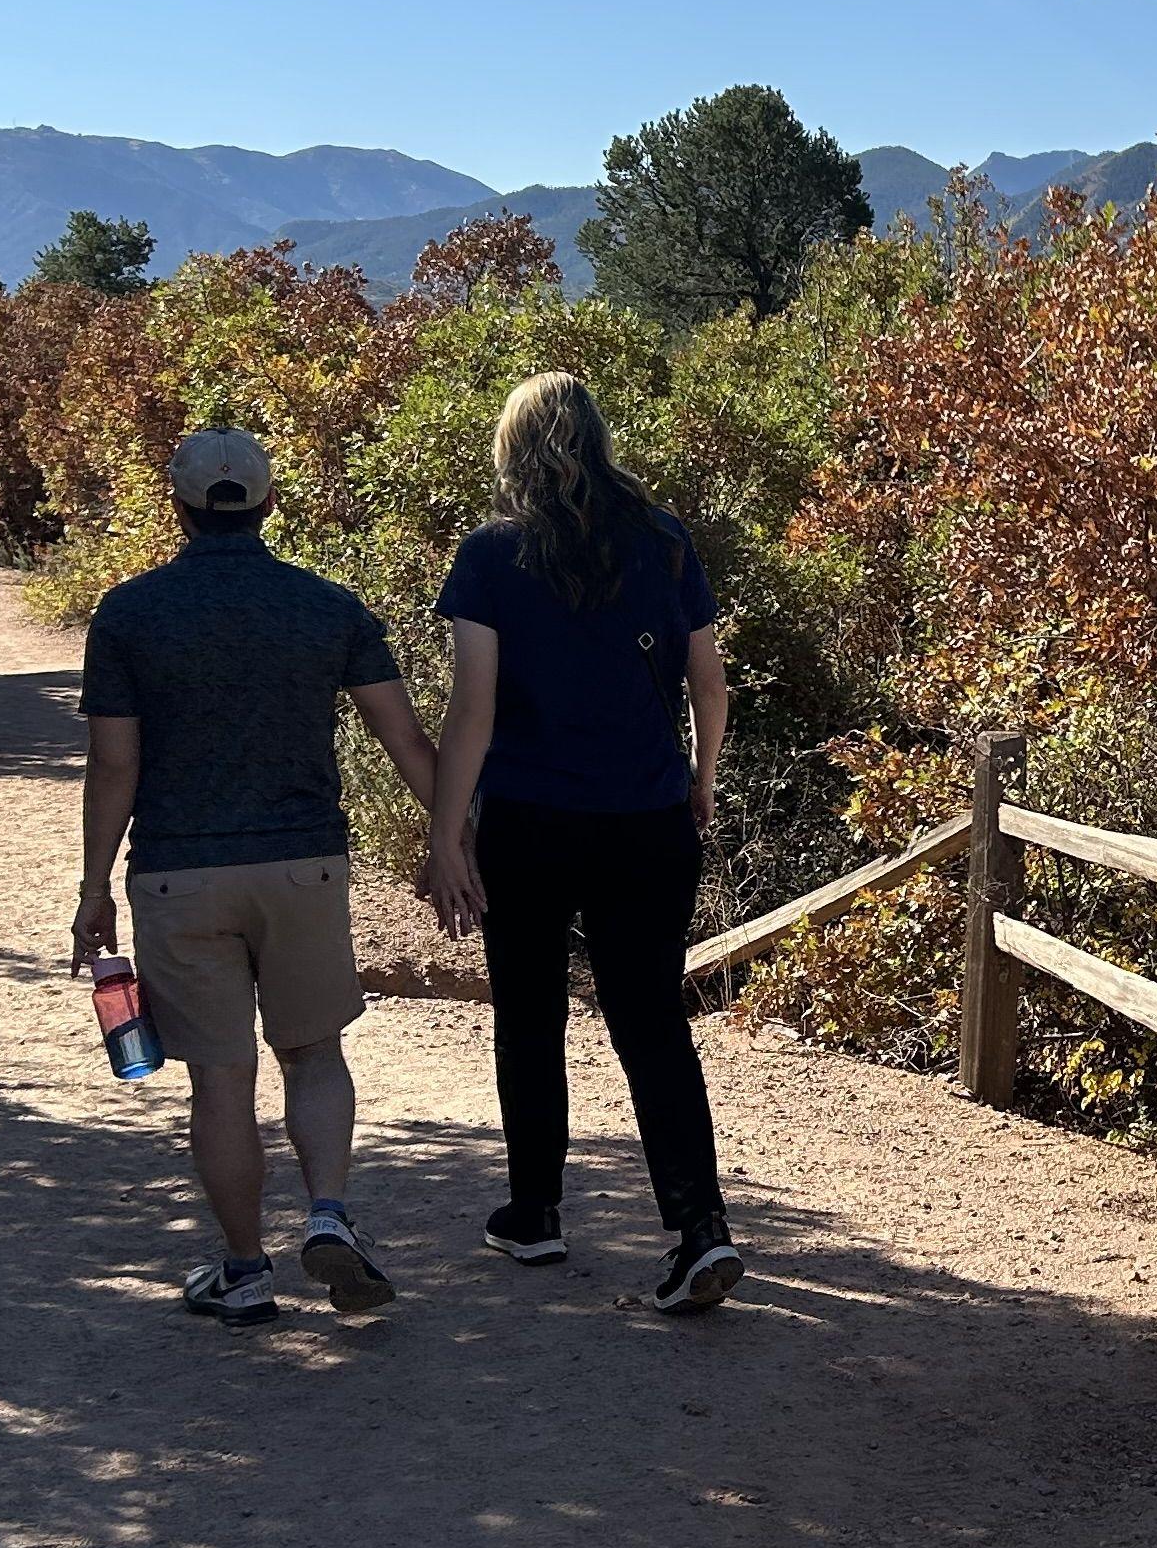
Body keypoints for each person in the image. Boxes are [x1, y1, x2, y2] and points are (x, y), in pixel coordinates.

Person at [70, 425, 446, 1325]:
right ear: (270, 504)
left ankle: (245, 1271)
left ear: (180, 506)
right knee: (314, 1053)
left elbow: (114, 765)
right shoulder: (328, 607)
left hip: (179, 876)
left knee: (221, 1079)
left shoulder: (128, 614)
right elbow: (403, 739)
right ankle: (329, 1217)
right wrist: (453, 839)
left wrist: (92, 889)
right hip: (303, 867)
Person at [421, 372, 745, 1312]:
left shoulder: (489, 556)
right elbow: (710, 685)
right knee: (652, 1024)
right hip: (647, 820)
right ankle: (698, 1230)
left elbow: (471, 709)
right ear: (598, 439)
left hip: (529, 819)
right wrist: (701, 780)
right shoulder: (664, 541)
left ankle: (536, 1213)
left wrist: (448, 836)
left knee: (528, 1014)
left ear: (510, 448)